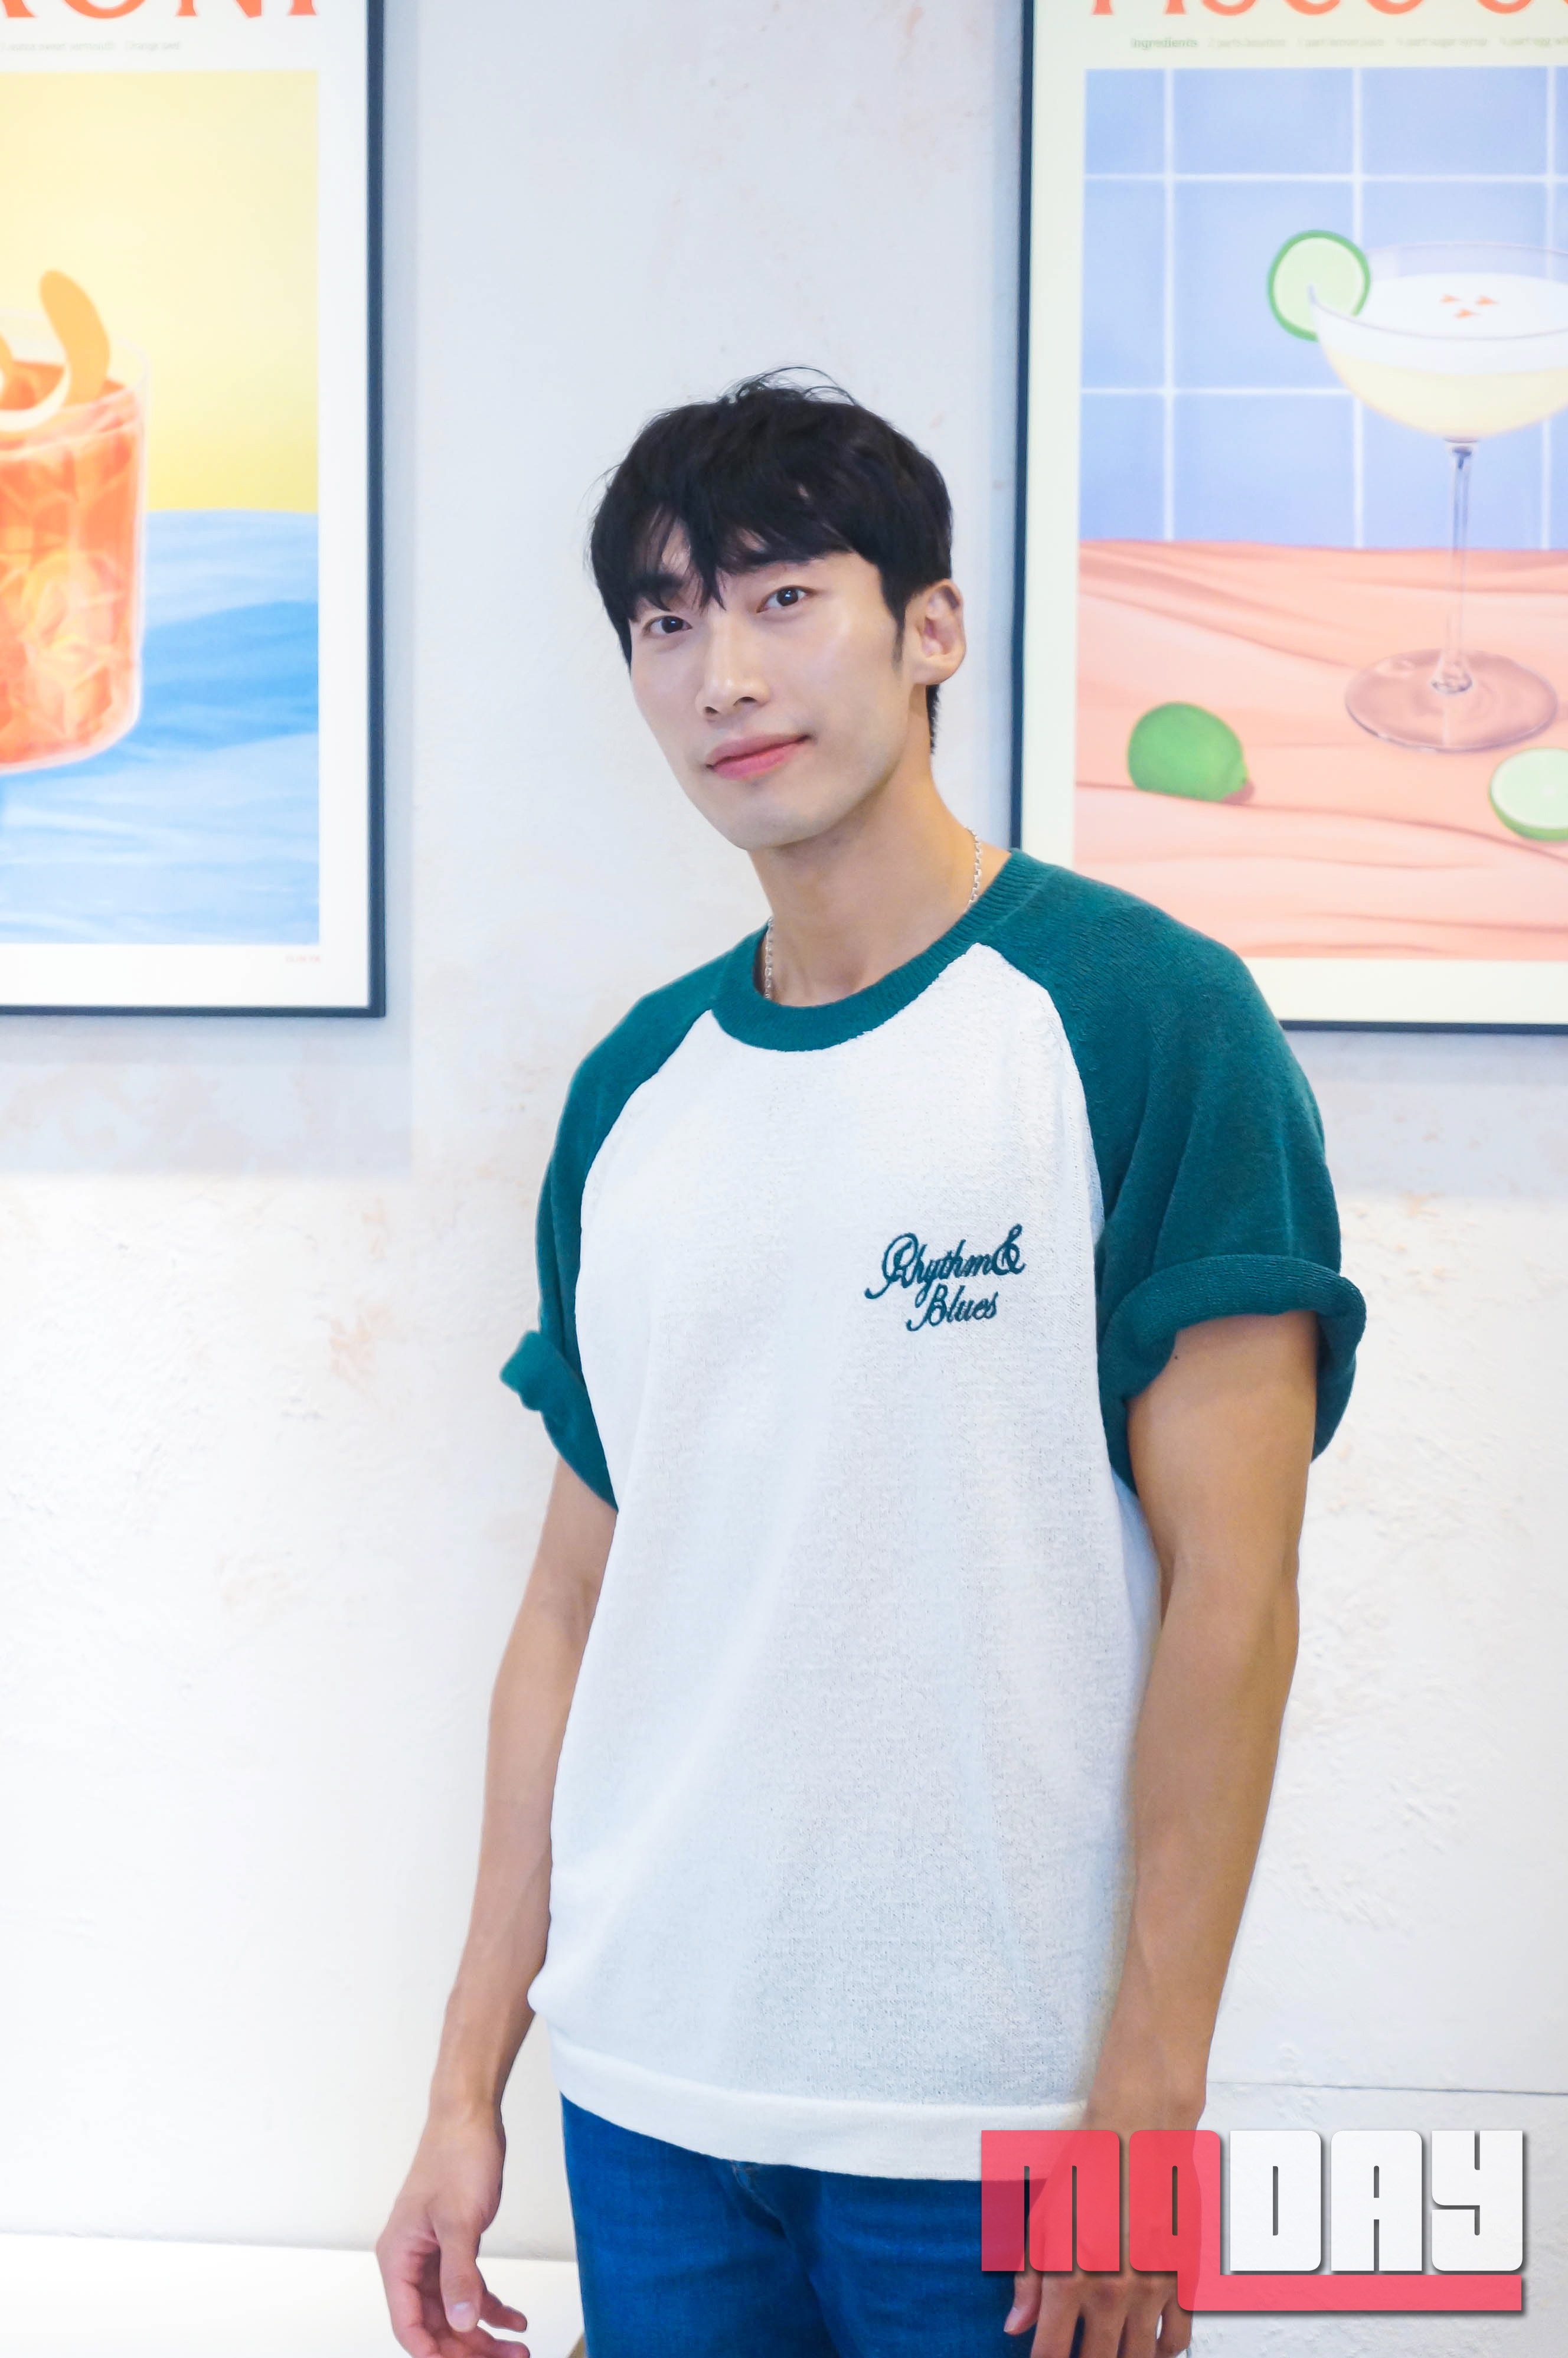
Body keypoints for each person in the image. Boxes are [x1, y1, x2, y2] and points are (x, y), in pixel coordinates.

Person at [377, 373, 1366, 2358]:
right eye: (667, 620)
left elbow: (1236, 1594)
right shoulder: (636, 1090)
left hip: (1002, 2119)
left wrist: (1147, 2104)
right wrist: (467, 2080)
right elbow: (572, 1604)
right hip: (652, 2092)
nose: (723, 672)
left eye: (783, 597)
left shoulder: (1144, 1017)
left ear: (932, 629)